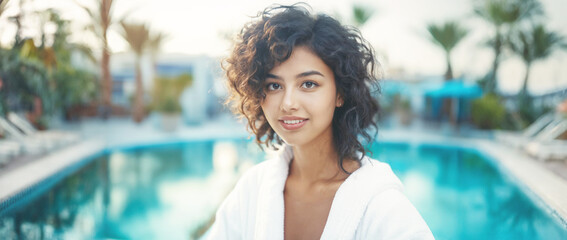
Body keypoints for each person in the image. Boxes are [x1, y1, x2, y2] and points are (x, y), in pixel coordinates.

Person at [208, 4, 434, 240]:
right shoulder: (252, 190)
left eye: (308, 84)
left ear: (340, 93)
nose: (288, 103)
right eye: (274, 86)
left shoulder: (383, 207)